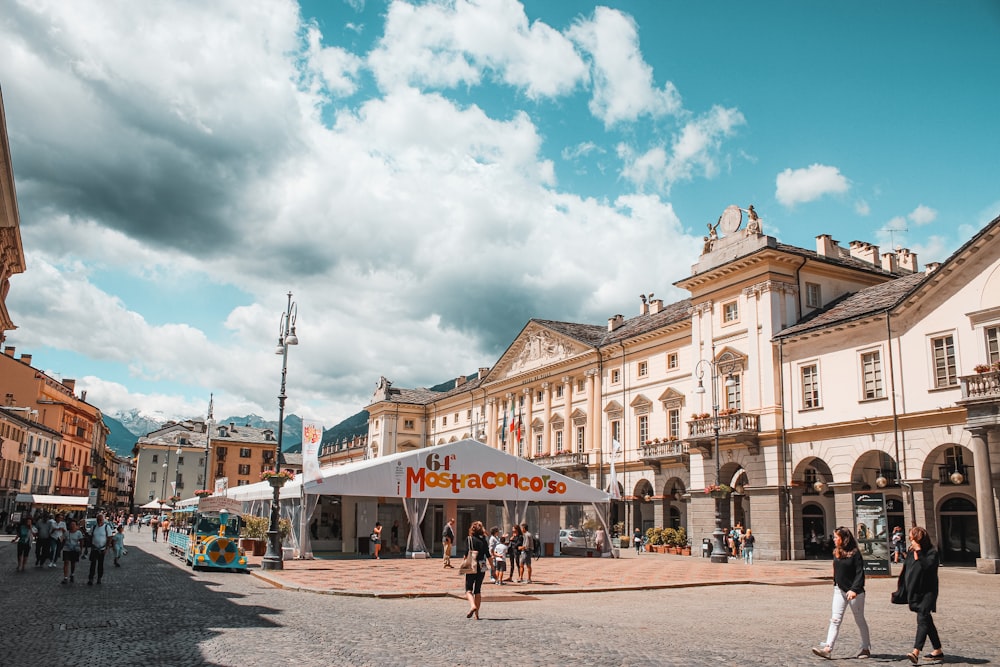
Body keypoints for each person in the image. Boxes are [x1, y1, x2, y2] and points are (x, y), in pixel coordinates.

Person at [811, 527, 871, 660]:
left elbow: (860, 573)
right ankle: (828, 648)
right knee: (835, 619)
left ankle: (866, 647)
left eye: (836, 537)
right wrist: (836, 583)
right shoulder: (836, 552)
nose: (834, 539)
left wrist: (854, 589)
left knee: (859, 619)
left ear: (844, 539)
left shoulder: (855, 554)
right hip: (839, 590)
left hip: (855, 592)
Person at [895, 526, 944, 664]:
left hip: (928, 591)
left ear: (918, 539)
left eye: (911, 537)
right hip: (915, 591)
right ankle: (938, 650)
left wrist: (919, 551)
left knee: (922, 619)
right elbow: (907, 571)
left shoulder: (931, 553)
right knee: (927, 620)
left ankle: (915, 651)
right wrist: (902, 590)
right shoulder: (911, 552)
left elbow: (927, 567)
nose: (909, 540)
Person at [463, 520, 489, 620]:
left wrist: (464, 562)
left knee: (468, 589)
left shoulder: (469, 539)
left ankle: (472, 605)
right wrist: (493, 568)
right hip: (482, 564)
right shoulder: (484, 540)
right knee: (478, 590)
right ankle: (477, 615)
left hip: (472, 564)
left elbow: (466, 553)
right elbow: (488, 554)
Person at [87, 513, 115, 585]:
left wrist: (107, 548)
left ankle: (99, 578)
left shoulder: (106, 527)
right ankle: (91, 578)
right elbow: (90, 537)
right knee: (92, 564)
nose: (99, 521)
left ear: (103, 520)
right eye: (98, 520)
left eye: (100, 520)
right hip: (94, 548)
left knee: (100, 564)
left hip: (102, 549)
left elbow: (109, 538)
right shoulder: (93, 527)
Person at [62, 519, 84, 584]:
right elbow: (63, 540)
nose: (72, 526)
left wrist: (81, 549)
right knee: (66, 562)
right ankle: (65, 577)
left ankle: (72, 574)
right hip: (66, 549)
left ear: (76, 526)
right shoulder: (66, 533)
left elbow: (81, 541)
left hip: (75, 550)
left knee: (73, 563)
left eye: (73, 525)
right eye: (71, 525)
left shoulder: (78, 533)